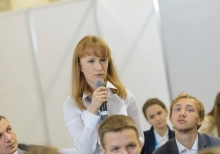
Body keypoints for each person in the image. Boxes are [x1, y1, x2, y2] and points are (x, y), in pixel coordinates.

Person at [63, 35, 144, 154]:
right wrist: (92, 111)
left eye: (103, 60)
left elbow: (140, 139)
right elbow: (83, 151)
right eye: (91, 61)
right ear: (80, 66)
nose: (99, 67)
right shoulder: (71, 104)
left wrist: (122, 144)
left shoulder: (125, 96)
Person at [154, 92, 220, 154]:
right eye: (178, 109)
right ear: (171, 118)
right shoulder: (160, 152)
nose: (182, 114)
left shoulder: (217, 146)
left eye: (189, 110)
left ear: (200, 119)